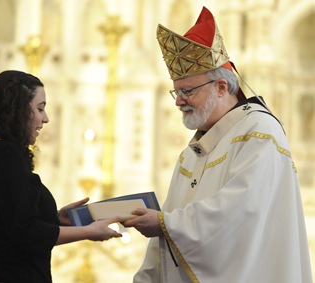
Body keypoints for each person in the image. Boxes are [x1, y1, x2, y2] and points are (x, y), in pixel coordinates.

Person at [123, 7, 313, 283]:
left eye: (188, 91)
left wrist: (164, 223)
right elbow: (165, 240)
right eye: (177, 91)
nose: (178, 100)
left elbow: (240, 212)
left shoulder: (259, 132)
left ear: (221, 87)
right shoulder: (194, 152)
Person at [0, 70, 122, 283]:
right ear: (17, 110)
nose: (45, 119)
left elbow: (0, 223)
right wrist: (88, 231)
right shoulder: (5, 155)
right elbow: (26, 233)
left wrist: (55, 218)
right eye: (40, 109)